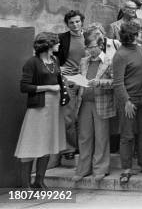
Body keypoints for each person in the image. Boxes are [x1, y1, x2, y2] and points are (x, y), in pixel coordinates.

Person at [15, 32, 67, 189]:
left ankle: (39, 181)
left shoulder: (55, 60)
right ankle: (26, 185)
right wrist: (49, 87)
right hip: (38, 108)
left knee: (48, 144)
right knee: (31, 145)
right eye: (56, 42)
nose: (59, 45)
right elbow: (24, 87)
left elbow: (56, 79)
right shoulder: (32, 62)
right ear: (48, 45)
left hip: (54, 108)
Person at [113, 20, 142, 184]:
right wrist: (126, 101)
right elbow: (117, 83)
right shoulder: (120, 54)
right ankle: (126, 168)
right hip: (129, 101)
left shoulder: (140, 49)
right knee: (127, 135)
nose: (141, 34)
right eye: (139, 32)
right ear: (132, 35)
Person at [72, 28, 115, 182]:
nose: (89, 50)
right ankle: (83, 169)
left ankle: (100, 169)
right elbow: (80, 78)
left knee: (101, 136)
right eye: (87, 47)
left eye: (92, 47)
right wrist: (75, 82)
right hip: (84, 103)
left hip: (101, 103)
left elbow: (115, 82)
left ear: (100, 45)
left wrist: (100, 83)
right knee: (84, 137)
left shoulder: (109, 61)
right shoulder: (84, 61)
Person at [56, 10, 86, 162]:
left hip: (86, 79)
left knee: (84, 114)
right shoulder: (61, 38)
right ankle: (69, 147)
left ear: (82, 22)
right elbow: (50, 56)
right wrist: (58, 68)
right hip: (69, 79)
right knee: (69, 115)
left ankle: (84, 145)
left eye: (77, 21)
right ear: (67, 24)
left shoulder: (89, 37)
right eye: (71, 23)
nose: (75, 25)